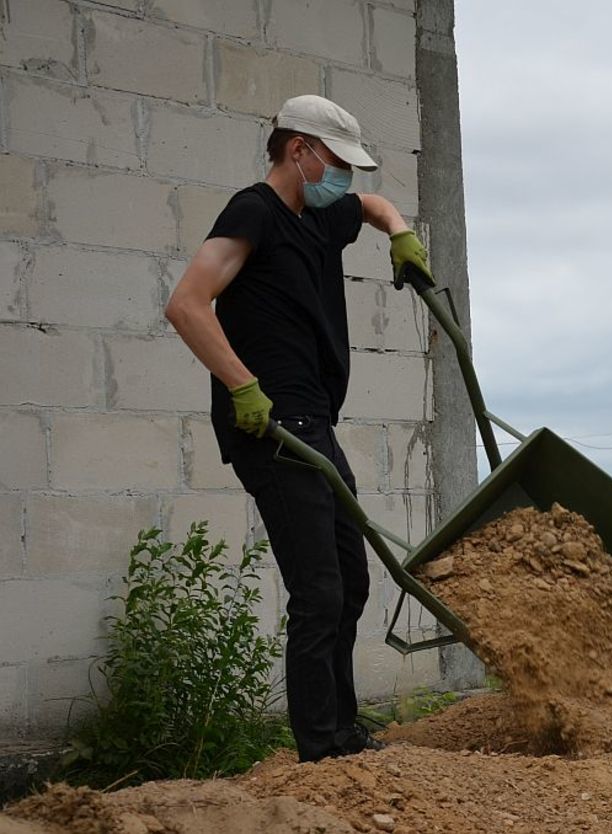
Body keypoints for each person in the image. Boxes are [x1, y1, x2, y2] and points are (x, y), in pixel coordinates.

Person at [165, 94, 432, 762]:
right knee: (318, 590)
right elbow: (186, 304)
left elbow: (369, 206)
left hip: (314, 422)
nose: (345, 176)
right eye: (338, 162)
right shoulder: (253, 212)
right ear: (299, 150)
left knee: (352, 578)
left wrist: (400, 232)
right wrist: (242, 386)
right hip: (271, 427)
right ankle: (322, 749)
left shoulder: (320, 216)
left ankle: (341, 732)